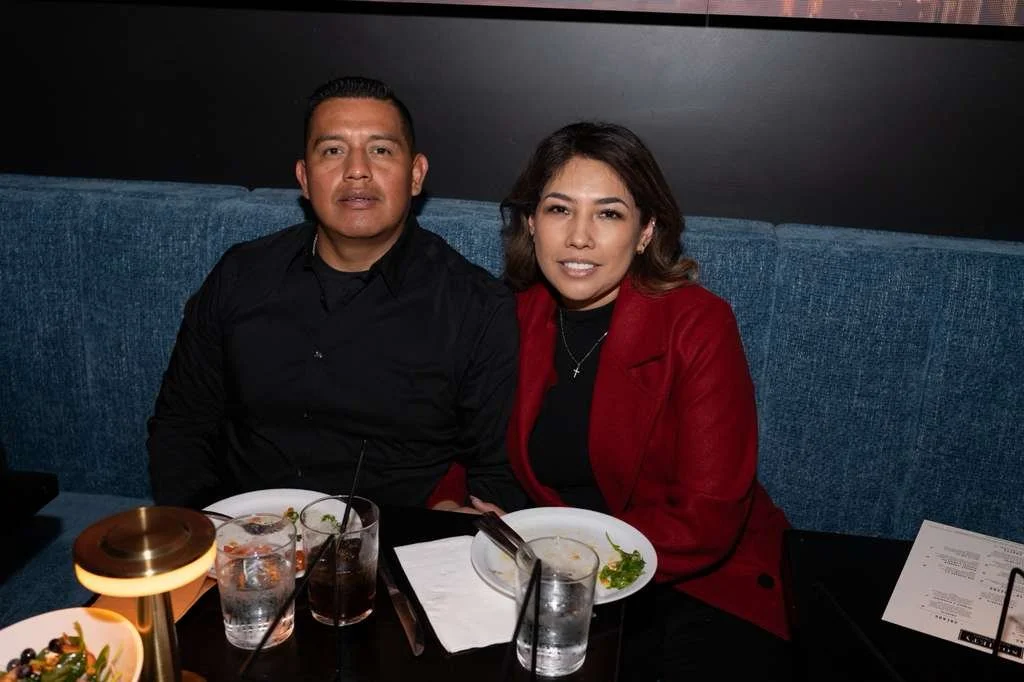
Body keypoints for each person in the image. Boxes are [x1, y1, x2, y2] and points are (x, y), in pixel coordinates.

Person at [147, 76, 524, 513]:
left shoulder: (476, 308)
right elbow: (182, 425)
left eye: (380, 150)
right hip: (242, 534)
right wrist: (207, 529)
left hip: (391, 543)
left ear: (416, 174)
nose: (357, 170)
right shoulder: (240, 276)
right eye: (332, 151)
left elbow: (496, 471)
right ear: (304, 179)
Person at [500, 122, 792, 678]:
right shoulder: (514, 315)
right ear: (532, 223)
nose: (579, 237)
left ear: (645, 231)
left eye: (608, 214)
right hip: (552, 575)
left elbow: (706, 518)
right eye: (559, 209)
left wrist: (571, 562)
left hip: (693, 581)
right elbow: (460, 429)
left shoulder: (698, 324)